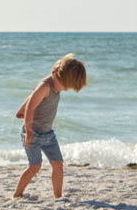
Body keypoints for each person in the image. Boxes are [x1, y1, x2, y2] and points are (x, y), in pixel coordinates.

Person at [13, 53, 89, 200]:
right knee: (35, 166)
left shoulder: (55, 82)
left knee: (58, 164)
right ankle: (17, 194)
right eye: (65, 85)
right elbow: (31, 106)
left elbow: (30, 97)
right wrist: (28, 130)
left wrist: (20, 109)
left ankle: (58, 197)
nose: (66, 89)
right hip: (32, 133)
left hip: (48, 134)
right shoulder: (45, 87)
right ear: (56, 74)